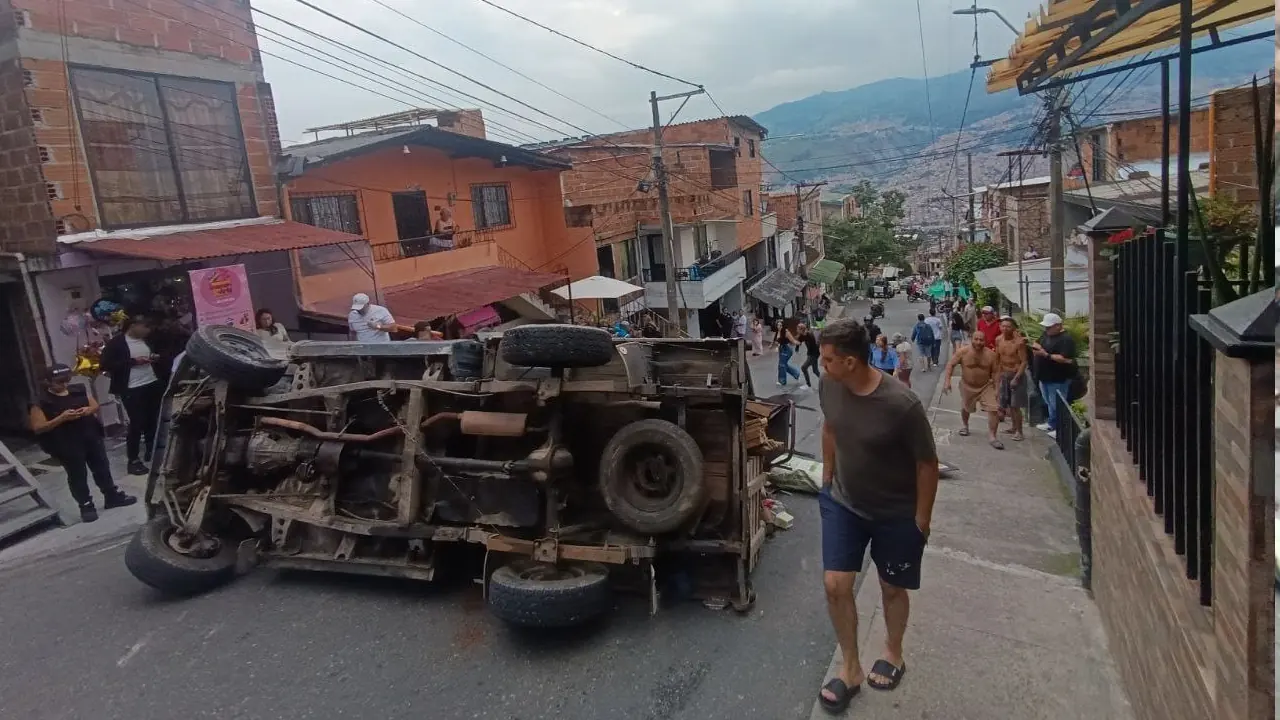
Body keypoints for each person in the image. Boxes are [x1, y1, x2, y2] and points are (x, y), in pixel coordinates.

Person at [815, 319, 939, 713]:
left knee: (891, 587)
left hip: (896, 511)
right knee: (836, 584)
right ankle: (850, 668)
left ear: (851, 362)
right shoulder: (829, 385)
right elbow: (830, 427)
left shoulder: (901, 405)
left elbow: (927, 464)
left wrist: (922, 520)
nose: (822, 364)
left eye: (829, 358)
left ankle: (894, 651)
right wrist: (827, 476)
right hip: (845, 502)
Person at [28, 364, 137, 522]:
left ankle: (112, 496)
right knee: (77, 474)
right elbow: (38, 427)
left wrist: (88, 410)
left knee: (102, 467)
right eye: (59, 382)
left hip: (90, 435)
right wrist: (61, 418)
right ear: (48, 382)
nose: (64, 385)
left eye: (66, 380)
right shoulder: (41, 401)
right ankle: (86, 505)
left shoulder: (77, 389)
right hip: (66, 441)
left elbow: (94, 405)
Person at [101, 315, 164, 475]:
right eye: (145, 327)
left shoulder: (147, 341)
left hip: (151, 383)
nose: (147, 331)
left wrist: (154, 358)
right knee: (137, 423)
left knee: (154, 420)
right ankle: (133, 459)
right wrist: (134, 362)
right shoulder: (117, 343)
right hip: (131, 388)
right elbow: (106, 365)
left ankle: (152, 451)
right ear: (133, 326)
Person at [943, 330, 1003, 450]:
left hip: (986, 386)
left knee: (993, 409)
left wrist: (997, 389)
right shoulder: (963, 352)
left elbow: (996, 372)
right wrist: (947, 381)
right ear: (972, 339)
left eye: (981, 340)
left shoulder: (991, 355)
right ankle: (965, 426)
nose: (979, 342)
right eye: (976, 339)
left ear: (984, 341)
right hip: (967, 385)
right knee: (966, 408)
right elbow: (951, 364)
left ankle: (992, 436)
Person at [1031, 313, 1078, 439]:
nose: (1046, 329)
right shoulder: (1046, 335)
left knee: (1057, 404)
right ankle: (1052, 423)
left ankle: (1060, 428)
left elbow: (1065, 358)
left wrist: (1045, 354)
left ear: (1058, 326)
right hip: (1044, 376)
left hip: (1058, 378)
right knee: (1049, 402)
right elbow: (1038, 343)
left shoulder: (1066, 339)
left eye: (1049, 327)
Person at [994, 316, 1028, 442]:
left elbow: (1024, 362)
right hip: (1004, 374)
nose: (1005, 328)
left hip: (1016, 375)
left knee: (1015, 405)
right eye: (1003, 326)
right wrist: (996, 377)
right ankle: (1013, 427)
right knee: (1007, 404)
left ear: (1013, 328)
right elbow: (997, 359)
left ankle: (1020, 431)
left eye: (1008, 326)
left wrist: (1017, 377)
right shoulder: (998, 340)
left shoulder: (1019, 343)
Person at [776, 322, 805, 389]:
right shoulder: (778, 331)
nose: (779, 326)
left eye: (780, 325)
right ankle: (796, 374)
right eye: (778, 325)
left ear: (783, 326)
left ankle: (782, 381)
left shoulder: (786, 332)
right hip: (781, 349)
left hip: (787, 349)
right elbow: (778, 340)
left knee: (782, 365)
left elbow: (793, 341)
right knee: (784, 364)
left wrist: (799, 343)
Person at [797, 322, 821, 387]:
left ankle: (808, 385)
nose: (797, 330)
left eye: (798, 329)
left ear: (802, 330)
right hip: (811, 354)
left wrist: (812, 357)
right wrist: (797, 347)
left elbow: (815, 347)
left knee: (803, 367)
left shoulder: (810, 335)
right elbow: (799, 341)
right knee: (815, 371)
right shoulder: (802, 335)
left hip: (814, 354)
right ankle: (825, 381)